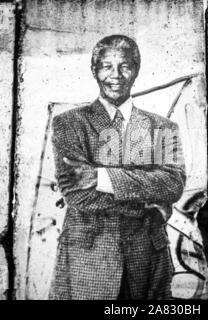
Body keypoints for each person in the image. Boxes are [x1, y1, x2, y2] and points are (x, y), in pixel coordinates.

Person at [49, 34, 186, 300]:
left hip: (148, 262)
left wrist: (99, 176)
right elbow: (77, 195)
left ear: (136, 70)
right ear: (94, 71)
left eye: (124, 66)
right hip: (89, 260)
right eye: (106, 67)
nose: (116, 75)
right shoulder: (68, 124)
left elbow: (172, 184)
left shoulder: (163, 128)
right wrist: (146, 205)